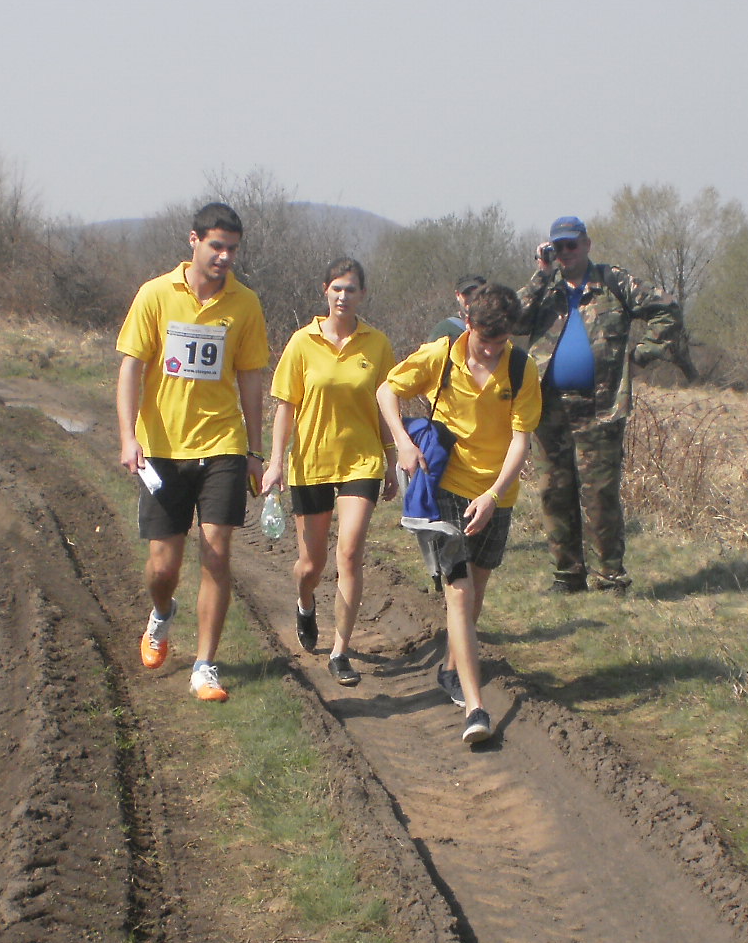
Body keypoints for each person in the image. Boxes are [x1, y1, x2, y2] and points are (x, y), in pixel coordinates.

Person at [116, 202, 271, 702]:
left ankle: (205, 665)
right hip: (161, 448)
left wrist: (253, 448)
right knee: (163, 567)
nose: (225, 257)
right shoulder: (156, 295)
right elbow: (131, 368)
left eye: (233, 249)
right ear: (194, 241)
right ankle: (161, 614)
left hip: (221, 443)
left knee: (217, 553)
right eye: (216, 246)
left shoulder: (245, 304)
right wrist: (127, 437)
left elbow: (251, 377)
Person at [376, 282, 542, 745]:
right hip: (446, 486)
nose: (490, 351)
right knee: (459, 595)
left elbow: (520, 441)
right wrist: (403, 443)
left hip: (497, 495)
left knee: (478, 589)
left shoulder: (523, 369)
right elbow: (387, 390)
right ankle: (475, 707)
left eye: (500, 342)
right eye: (484, 341)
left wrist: (492, 494)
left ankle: (452, 668)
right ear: (468, 323)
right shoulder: (441, 354)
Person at [515, 215, 683, 593]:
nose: (566, 253)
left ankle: (609, 577)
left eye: (572, 245)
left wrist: (640, 355)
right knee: (554, 491)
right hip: (548, 407)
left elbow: (666, 309)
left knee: (599, 495)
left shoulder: (613, 282)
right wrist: (541, 274)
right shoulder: (546, 288)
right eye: (558, 247)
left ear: (587, 244)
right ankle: (567, 574)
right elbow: (513, 318)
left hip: (600, 406)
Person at [261, 259, 397, 686]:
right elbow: (285, 405)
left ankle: (340, 651)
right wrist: (275, 462)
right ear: (325, 291)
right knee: (311, 562)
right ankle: (305, 604)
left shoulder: (377, 345)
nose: (343, 296)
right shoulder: (302, 343)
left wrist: (392, 459)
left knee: (351, 553)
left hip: (361, 461)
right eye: (337, 288)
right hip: (312, 463)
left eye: (351, 289)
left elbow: (385, 405)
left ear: (362, 295)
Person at [432, 274, 487, 342]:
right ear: (457, 295)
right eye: (466, 293)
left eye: (477, 293)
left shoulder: (496, 326)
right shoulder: (444, 329)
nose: (472, 298)